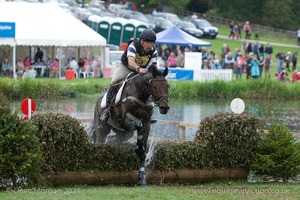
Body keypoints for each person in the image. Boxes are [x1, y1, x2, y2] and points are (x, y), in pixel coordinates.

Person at [100, 29, 158, 122]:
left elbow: (154, 65)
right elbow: (131, 61)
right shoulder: (133, 45)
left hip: (141, 70)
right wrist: (139, 69)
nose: (150, 45)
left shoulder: (153, 50)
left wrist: (155, 74)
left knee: (150, 85)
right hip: (126, 67)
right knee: (114, 82)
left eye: (152, 43)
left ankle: (148, 112)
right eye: (147, 42)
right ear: (142, 41)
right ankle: (107, 110)